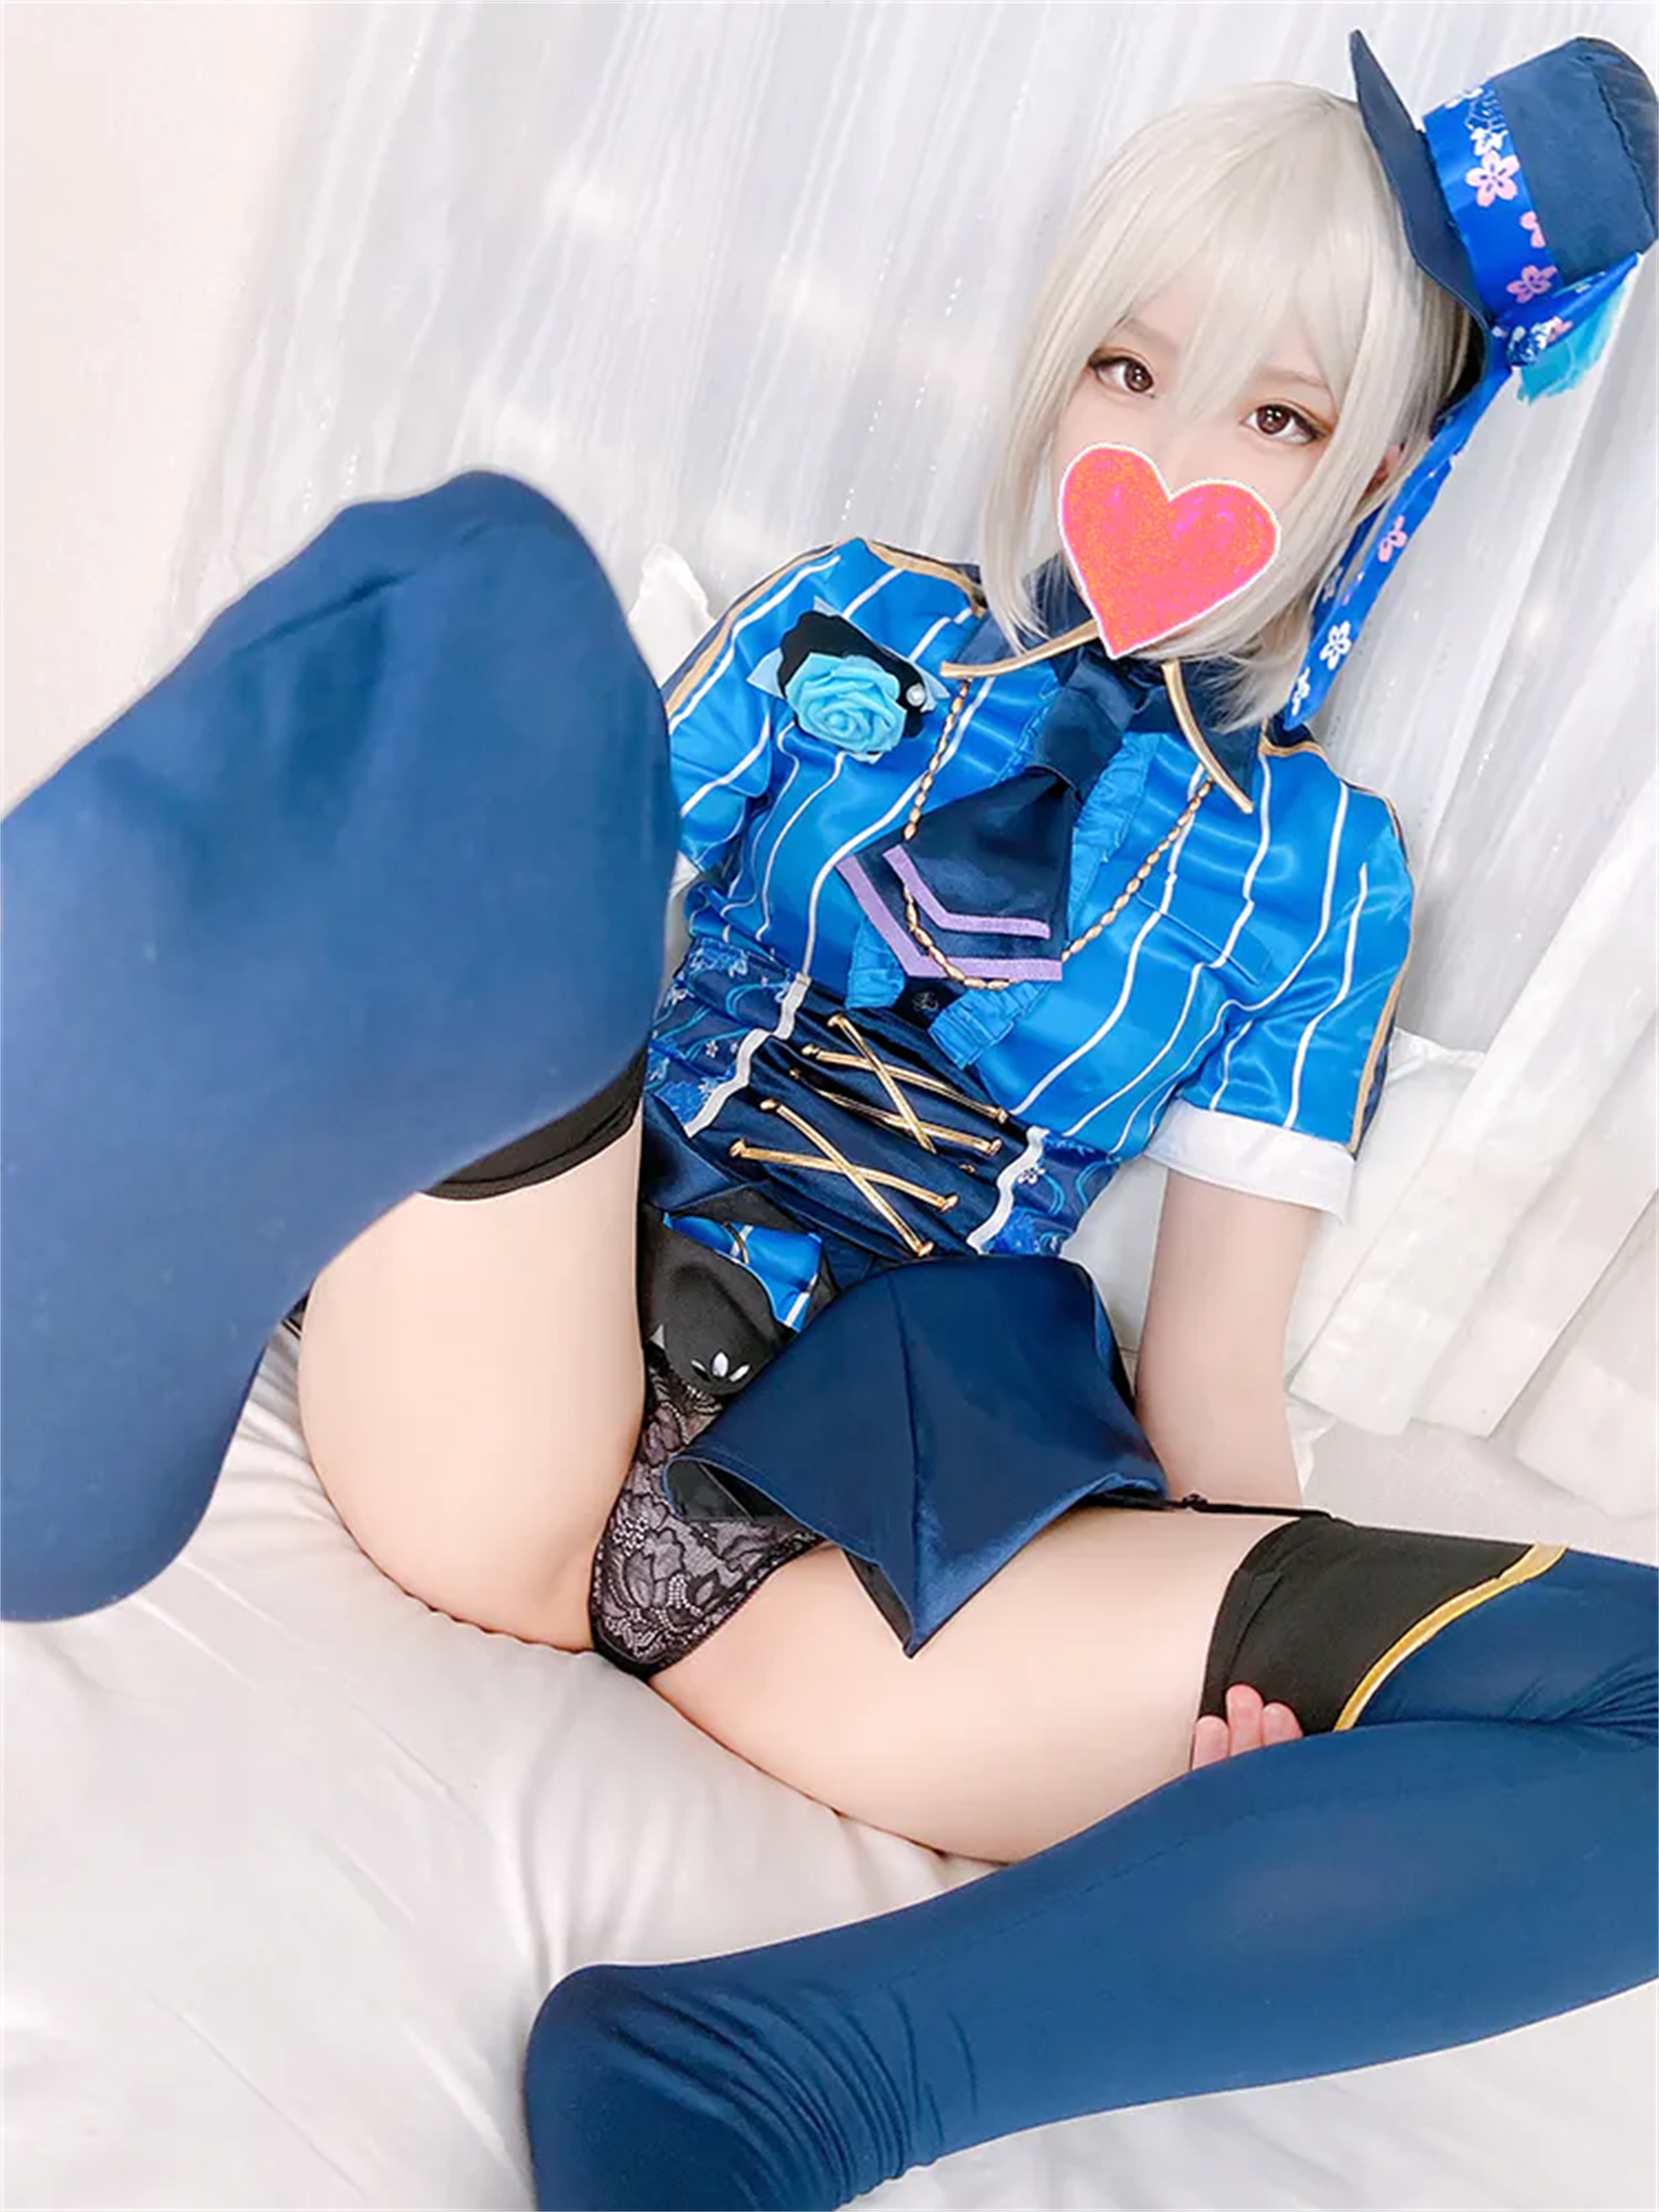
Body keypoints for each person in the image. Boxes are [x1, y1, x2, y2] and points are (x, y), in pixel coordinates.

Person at [1, 28, 1653, 2212]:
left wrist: (1248, 1689)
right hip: (542, 1362)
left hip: (873, 1545)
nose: (1173, 454)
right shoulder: (840, 621)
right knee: (492, 613)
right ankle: (61, 1413)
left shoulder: (1324, 874)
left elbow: (1214, 1369)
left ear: (1378, 479)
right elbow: (549, 931)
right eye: (1130, 368)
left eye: (1281, 416)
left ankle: (765, 2084)